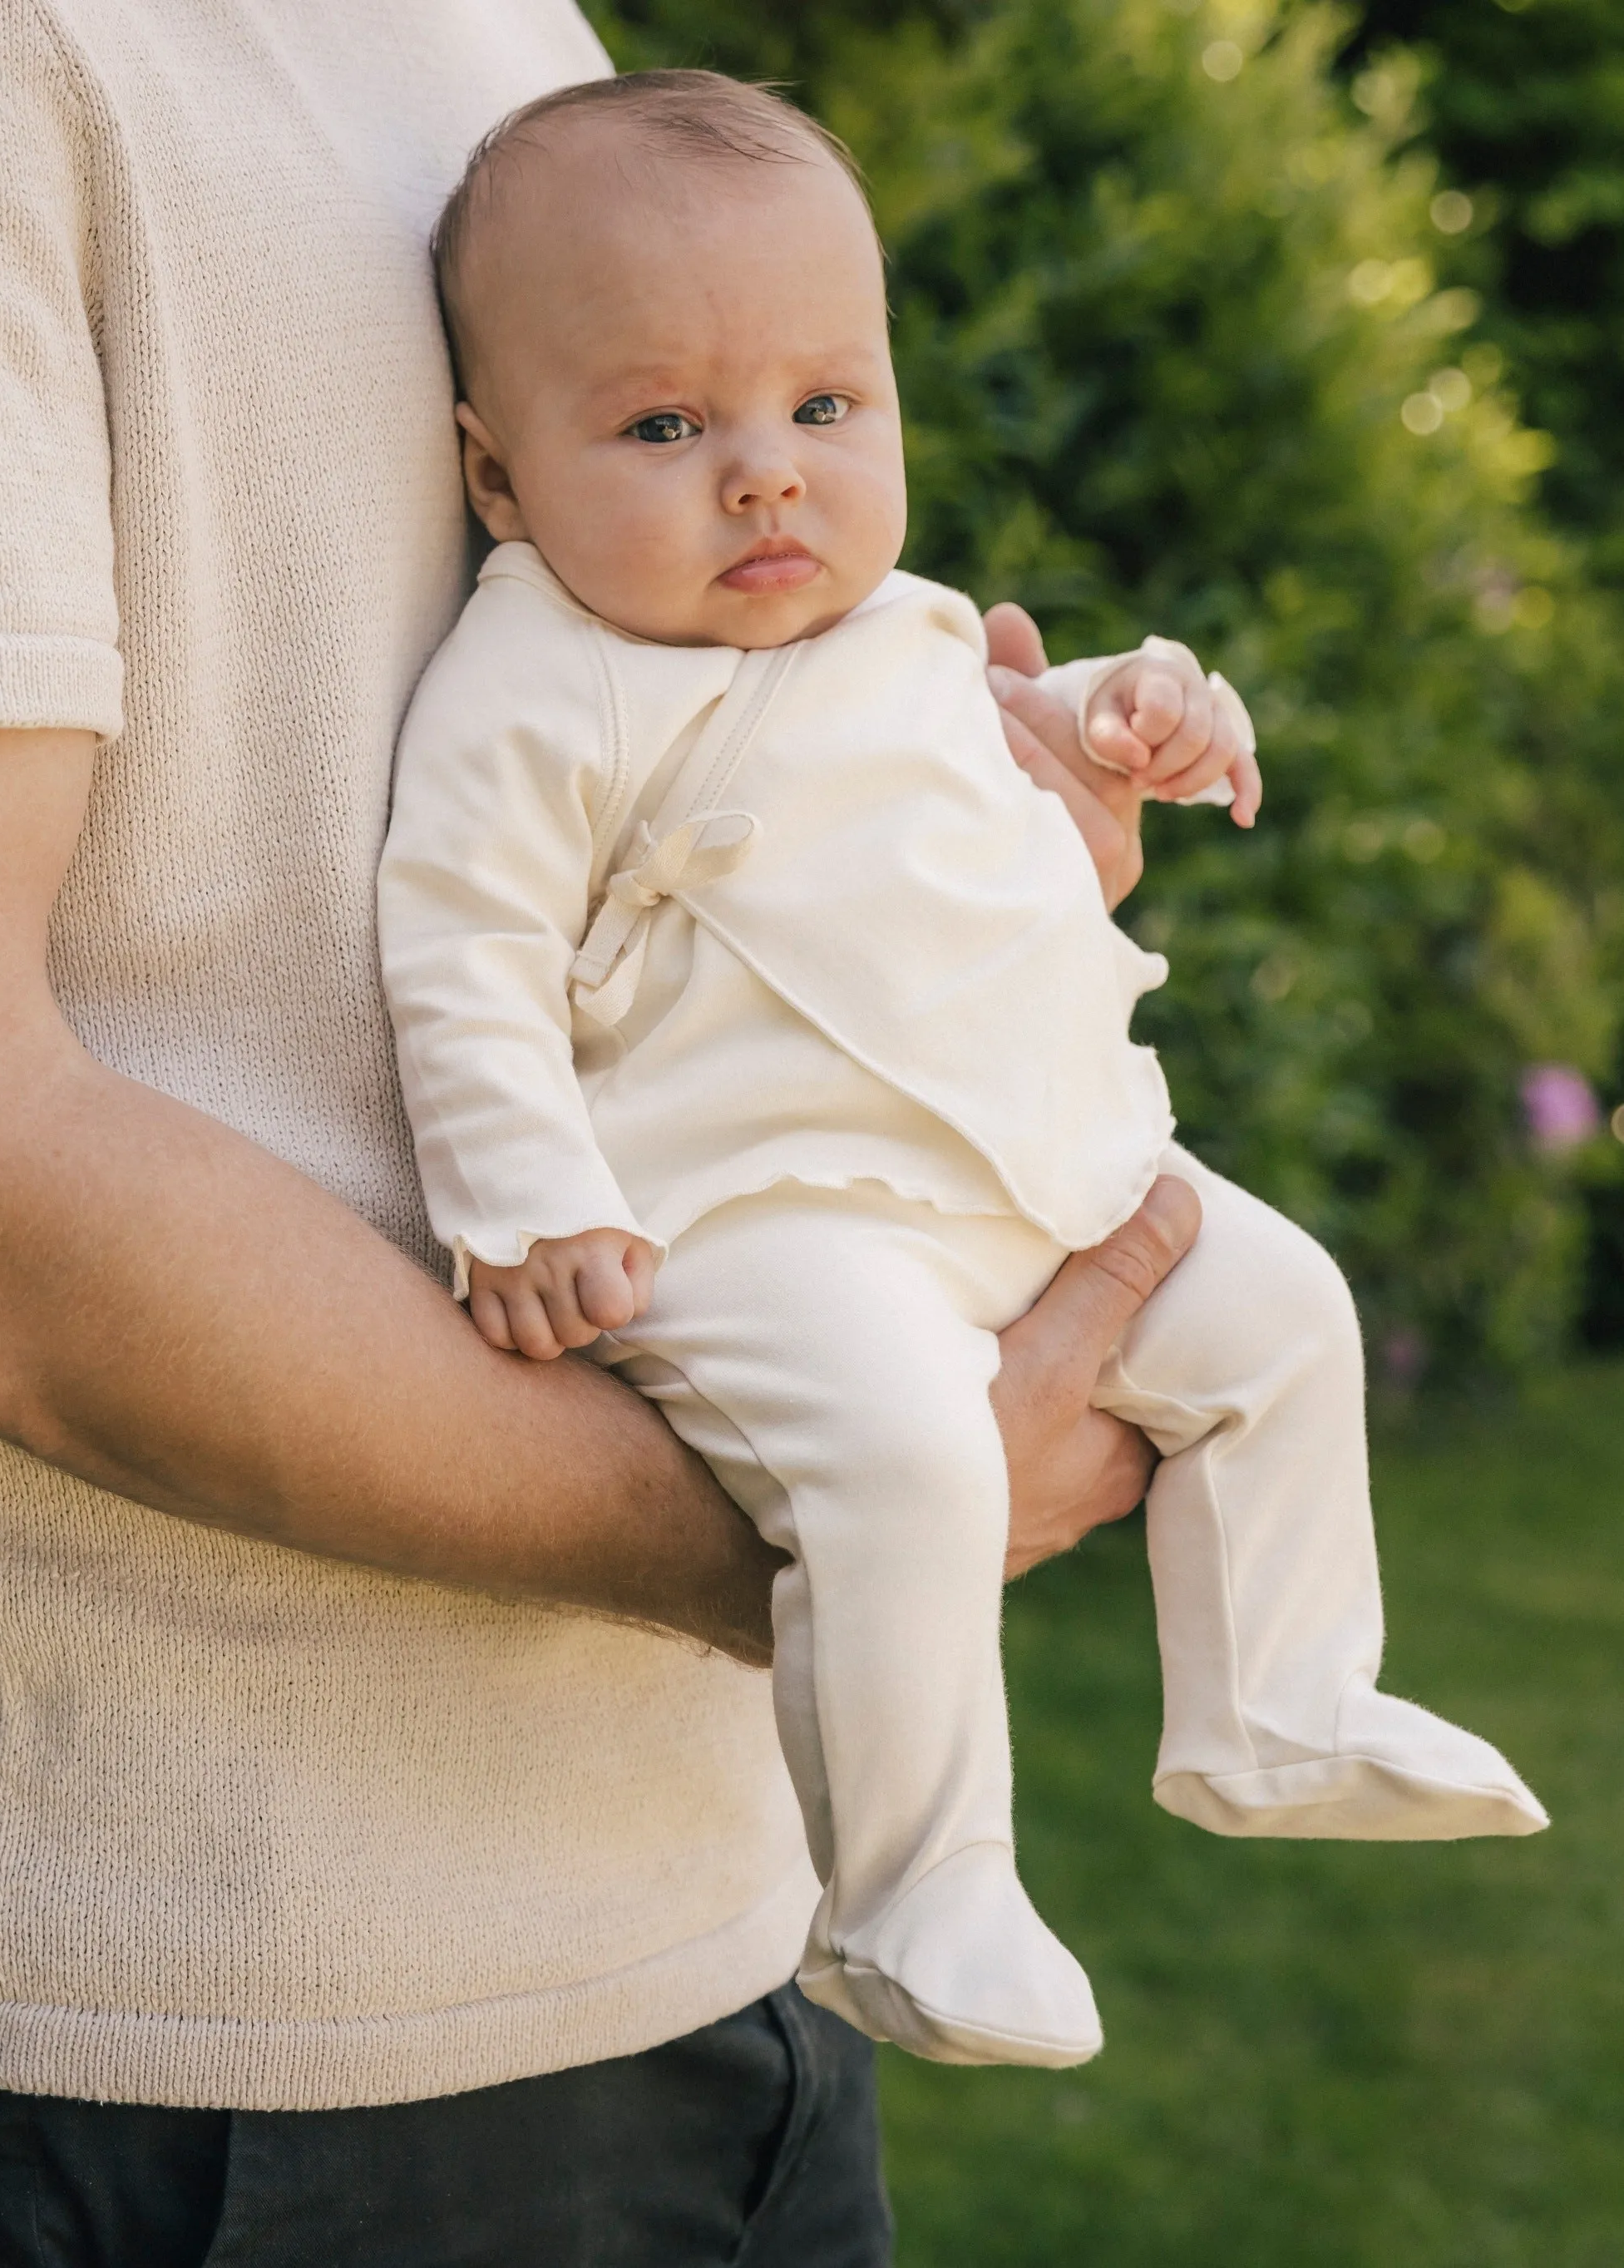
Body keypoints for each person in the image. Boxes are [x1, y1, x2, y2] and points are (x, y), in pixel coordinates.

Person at [0, 7, 1229, 2261]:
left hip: (717, 1919)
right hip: (243, 2043)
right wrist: (826, 1521)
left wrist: (966, 836)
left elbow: (587, 801)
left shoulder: (499, 25)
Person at [379, 72, 1547, 2078]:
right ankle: (919, 1889)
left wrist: (1130, 714)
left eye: (824, 409)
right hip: (760, 1217)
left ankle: (1279, 1701)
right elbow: (457, 940)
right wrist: (522, 1194)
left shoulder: (890, 616)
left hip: (1018, 1170)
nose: (765, 480)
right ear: (497, 479)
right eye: (666, 427)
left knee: (1281, 1314)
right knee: (908, 1459)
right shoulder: (547, 672)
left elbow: (1008, 724)